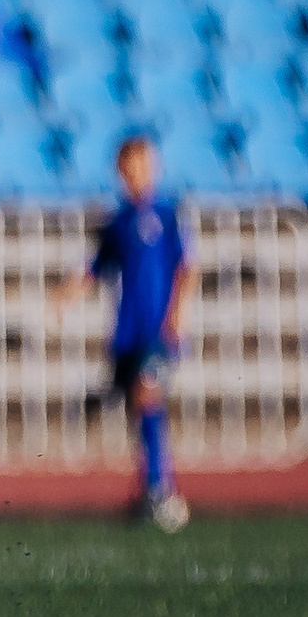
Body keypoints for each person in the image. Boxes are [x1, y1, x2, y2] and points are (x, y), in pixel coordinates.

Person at [53, 133, 192, 532]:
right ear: (120, 174)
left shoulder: (168, 216)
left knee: (148, 397)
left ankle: (161, 491)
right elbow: (96, 269)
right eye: (131, 170)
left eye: (144, 168)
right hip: (129, 331)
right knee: (139, 407)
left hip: (158, 330)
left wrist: (177, 316)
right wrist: (67, 295)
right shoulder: (118, 223)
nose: (138, 177)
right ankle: (151, 488)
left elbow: (187, 267)